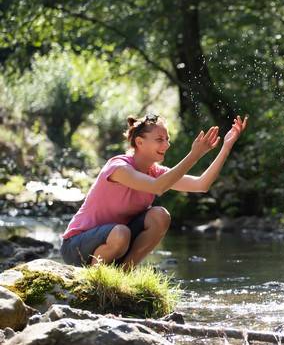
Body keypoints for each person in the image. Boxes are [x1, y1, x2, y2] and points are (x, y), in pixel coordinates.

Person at [60, 113, 248, 269]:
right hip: (77, 246)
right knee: (121, 233)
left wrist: (227, 145)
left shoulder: (156, 172)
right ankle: (95, 278)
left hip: (118, 241)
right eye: (159, 140)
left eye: (167, 139)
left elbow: (201, 184)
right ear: (140, 142)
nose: (166, 145)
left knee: (160, 215)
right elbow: (158, 187)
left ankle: (124, 274)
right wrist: (194, 155)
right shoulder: (118, 167)